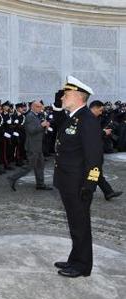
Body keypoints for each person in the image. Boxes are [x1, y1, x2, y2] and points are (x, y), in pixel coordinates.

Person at [52, 76, 103, 278]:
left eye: (65, 94)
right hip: (68, 182)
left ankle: (82, 266)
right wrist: (58, 105)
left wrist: (89, 185)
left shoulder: (87, 120)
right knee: (75, 224)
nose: (63, 97)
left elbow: (95, 157)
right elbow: (60, 130)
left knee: (80, 225)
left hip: (78, 184)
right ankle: (75, 259)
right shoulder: (74, 117)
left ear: (77, 95)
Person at [7, 100, 53, 191]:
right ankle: (12, 178)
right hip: (32, 146)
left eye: (41, 106)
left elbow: (38, 129)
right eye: (38, 107)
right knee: (30, 166)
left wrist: (45, 126)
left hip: (38, 145)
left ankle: (40, 184)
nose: (41, 108)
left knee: (40, 165)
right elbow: (31, 131)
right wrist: (42, 125)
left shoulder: (36, 116)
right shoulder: (30, 116)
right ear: (33, 107)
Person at [89, 101, 123, 201]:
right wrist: (104, 132)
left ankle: (107, 192)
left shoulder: (93, 118)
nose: (101, 113)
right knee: (94, 172)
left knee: (96, 172)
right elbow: (90, 134)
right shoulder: (87, 118)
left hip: (95, 151)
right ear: (94, 108)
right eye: (100, 110)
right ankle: (90, 191)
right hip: (90, 152)